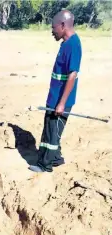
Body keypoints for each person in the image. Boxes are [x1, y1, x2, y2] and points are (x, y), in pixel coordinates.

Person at [29, 10, 82, 173]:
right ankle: (56, 158)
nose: (52, 31)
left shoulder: (73, 45)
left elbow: (72, 75)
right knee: (51, 129)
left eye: (54, 27)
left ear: (63, 25)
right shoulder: (66, 43)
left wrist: (62, 103)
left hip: (61, 100)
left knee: (52, 133)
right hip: (55, 97)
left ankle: (45, 165)